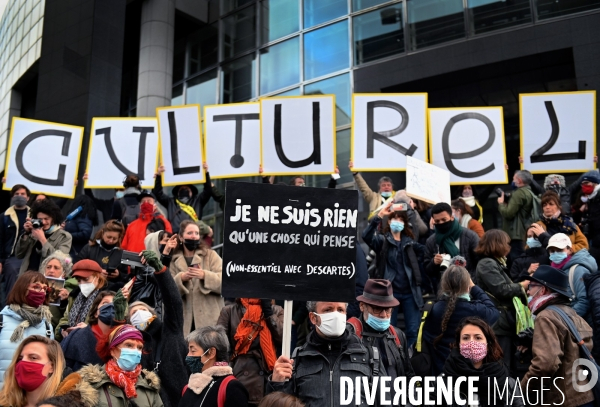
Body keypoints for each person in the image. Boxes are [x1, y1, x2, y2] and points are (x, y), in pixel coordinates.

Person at [268, 301, 373, 406]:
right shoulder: (298, 360)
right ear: (313, 318)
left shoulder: (367, 356)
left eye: (340, 310)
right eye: (328, 310)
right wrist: (277, 383)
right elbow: (282, 403)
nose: (336, 315)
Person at [522, 265, 595, 406]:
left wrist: (522, 389)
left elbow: (545, 364)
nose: (528, 291)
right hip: (584, 394)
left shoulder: (546, 317)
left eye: (531, 286)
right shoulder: (570, 312)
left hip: (565, 399)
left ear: (543, 289)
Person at [129, 250, 188, 407]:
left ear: (152, 313)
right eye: (134, 313)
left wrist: (161, 271)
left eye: (143, 310)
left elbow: (174, 302)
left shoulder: (170, 331)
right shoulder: (131, 345)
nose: (139, 314)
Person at [361, 202, 425, 347]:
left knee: (413, 331)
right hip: (390, 292)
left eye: (401, 219)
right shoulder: (383, 240)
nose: (398, 222)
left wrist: (413, 211)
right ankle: (391, 358)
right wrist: (379, 216)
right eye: (394, 218)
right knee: (388, 329)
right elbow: (366, 236)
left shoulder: (410, 243)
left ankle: (409, 360)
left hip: (410, 292)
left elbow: (425, 250)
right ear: (389, 221)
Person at [422, 265, 499, 376]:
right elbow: (494, 312)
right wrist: (474, 287)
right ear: (467, 286)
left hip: (439, 371)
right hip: (469, 371)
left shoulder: (433, 310)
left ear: (443, 285)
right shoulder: (475, 310)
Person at [65, 324, 163, 407]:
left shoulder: (148, 385)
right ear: (112, 350)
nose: (135, 351)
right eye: (129, 345)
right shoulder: (89, 384)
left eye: (139, 347)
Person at [346, 279, 415, 389]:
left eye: (388, 310)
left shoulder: (398, 335)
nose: (383, 315)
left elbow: (408, 375)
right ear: (362, 306)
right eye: (377, 309)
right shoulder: (349, 334)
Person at [475, 229, 528, 369]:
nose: (509, 247)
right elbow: (501, 289)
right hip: (498, 323)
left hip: (503, 322)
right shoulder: (487, 264)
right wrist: (522, 285)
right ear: (497, 244)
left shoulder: (497, 263)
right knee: (501, 364)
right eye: (506, 243)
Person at [443, 317, 524, 407]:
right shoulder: (442, 384)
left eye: (478, 338)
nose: (471, 343)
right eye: (466, 338)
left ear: (488, 345)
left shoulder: (508, 383)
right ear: (458, 344)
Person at [217, 298, 283, 406]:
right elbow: (220, 345)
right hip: (238, 374)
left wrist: (269, 315)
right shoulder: (230, 311)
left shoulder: (276, 310)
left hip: (268, 374)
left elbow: (283, 339)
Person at [166, 220, 223, 335]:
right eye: (190, 233)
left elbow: (226, 282)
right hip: (182, 322)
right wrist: (181, 278)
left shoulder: (211, 255)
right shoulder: (173, 259)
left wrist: (204, 275)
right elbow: (166, 289)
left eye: (196, 233)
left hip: (209, 319)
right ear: (181, 237)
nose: (194, 236)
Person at [0, 271, 54, 387]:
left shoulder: (47, 326)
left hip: (30, 396)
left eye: (46, 289)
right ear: (22, 288)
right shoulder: (2, 320)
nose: (42, 292)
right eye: (36, 287)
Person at [0, 335, 81, 407]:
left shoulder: (70, 403)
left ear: (52, 367)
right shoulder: (4, 402)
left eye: (33, 358)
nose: (23, 362)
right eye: (20, 359)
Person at [181, 325, 249, 407]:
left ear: (211, 353)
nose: (188, 355)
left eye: (193, 351)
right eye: (188, 351)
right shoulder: (190, 387)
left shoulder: (231, 388)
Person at [60, 290, 125, 371]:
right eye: (105, 303)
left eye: (116, 303)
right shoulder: (75, 337)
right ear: (96, 313)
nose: (111, 306)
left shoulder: (126, 341)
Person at [545, 233, 596, 318]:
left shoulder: (578, 270)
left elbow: (584, 301)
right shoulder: (554, 271)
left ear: (570, 250)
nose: (555, 253)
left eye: (559, 250)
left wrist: (565, 319)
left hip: (578, 322)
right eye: (552, 251)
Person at [55, 259, 108, 341]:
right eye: (79, 280)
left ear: (97, 277)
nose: (82, 284)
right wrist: (62, 330)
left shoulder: (107, 298)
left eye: (86, 279)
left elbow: (109, 327)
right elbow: (65, 319)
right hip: (71, 342)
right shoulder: (74, 295)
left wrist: (88, 329)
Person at [424, 202, 480, 279]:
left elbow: (479, 262)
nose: (441, 223)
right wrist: (434, 262)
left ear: (452, 217)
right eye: (437, 221)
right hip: (445, 287)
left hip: (469, 284)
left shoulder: (469, 236)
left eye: (444, 219)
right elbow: (427, 270)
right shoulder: (431, 241)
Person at [16, 199, 72, 274]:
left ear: (53, 219)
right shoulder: (33, 231)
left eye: (46, 219)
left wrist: (42, 239)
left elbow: (60, 261)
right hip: (26, 277)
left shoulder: (64, 236)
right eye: (40, 219)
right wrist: (26, 233)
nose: (43, 222)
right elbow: (19, 255)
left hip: (45, 279)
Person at [154, 164, 212, 233]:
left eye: (187, 189)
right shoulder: (171, 202)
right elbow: (157, 193)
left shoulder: (198, 201)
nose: (184, 191)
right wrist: (159, 176)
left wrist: (205, 173)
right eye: (181, 189)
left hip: (193, 235)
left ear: (192, 192)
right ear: (177, 193)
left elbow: (208, 191)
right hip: (175, 235)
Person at [75, 220, 128, 291]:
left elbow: (126, 276)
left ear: (119, 238)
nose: (111, 241)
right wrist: (96, 273)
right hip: (87, 286)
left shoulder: (121, 253)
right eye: (109, 237)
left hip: (110, 290)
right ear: (103, 233)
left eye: (114, 239)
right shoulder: (89, 248)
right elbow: (76, 267)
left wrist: (119, 275)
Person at [497, 170, 535, 267]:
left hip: (515, 235)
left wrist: (501, 204)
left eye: (514, 179)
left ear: (519, 180)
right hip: (522, 233)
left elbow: (509, 213)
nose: (513, 181)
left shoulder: (519, 193)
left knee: (515, 263)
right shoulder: (529, 192)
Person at [0, 184, 31, 301]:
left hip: (29, 256)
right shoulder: (4, 217)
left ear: (28, 198)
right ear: (12, 197)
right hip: (11, 257)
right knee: (11, 287)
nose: (20, 196)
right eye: (17, 194)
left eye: (23, 194)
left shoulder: (34, 216)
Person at [40, 251, 76, 327]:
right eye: (48, 267)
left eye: (56, 268)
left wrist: (65, 301)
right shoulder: (36, 285)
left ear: (64, 273)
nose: (51, 270)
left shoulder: (70, 290)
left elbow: (69, 318)